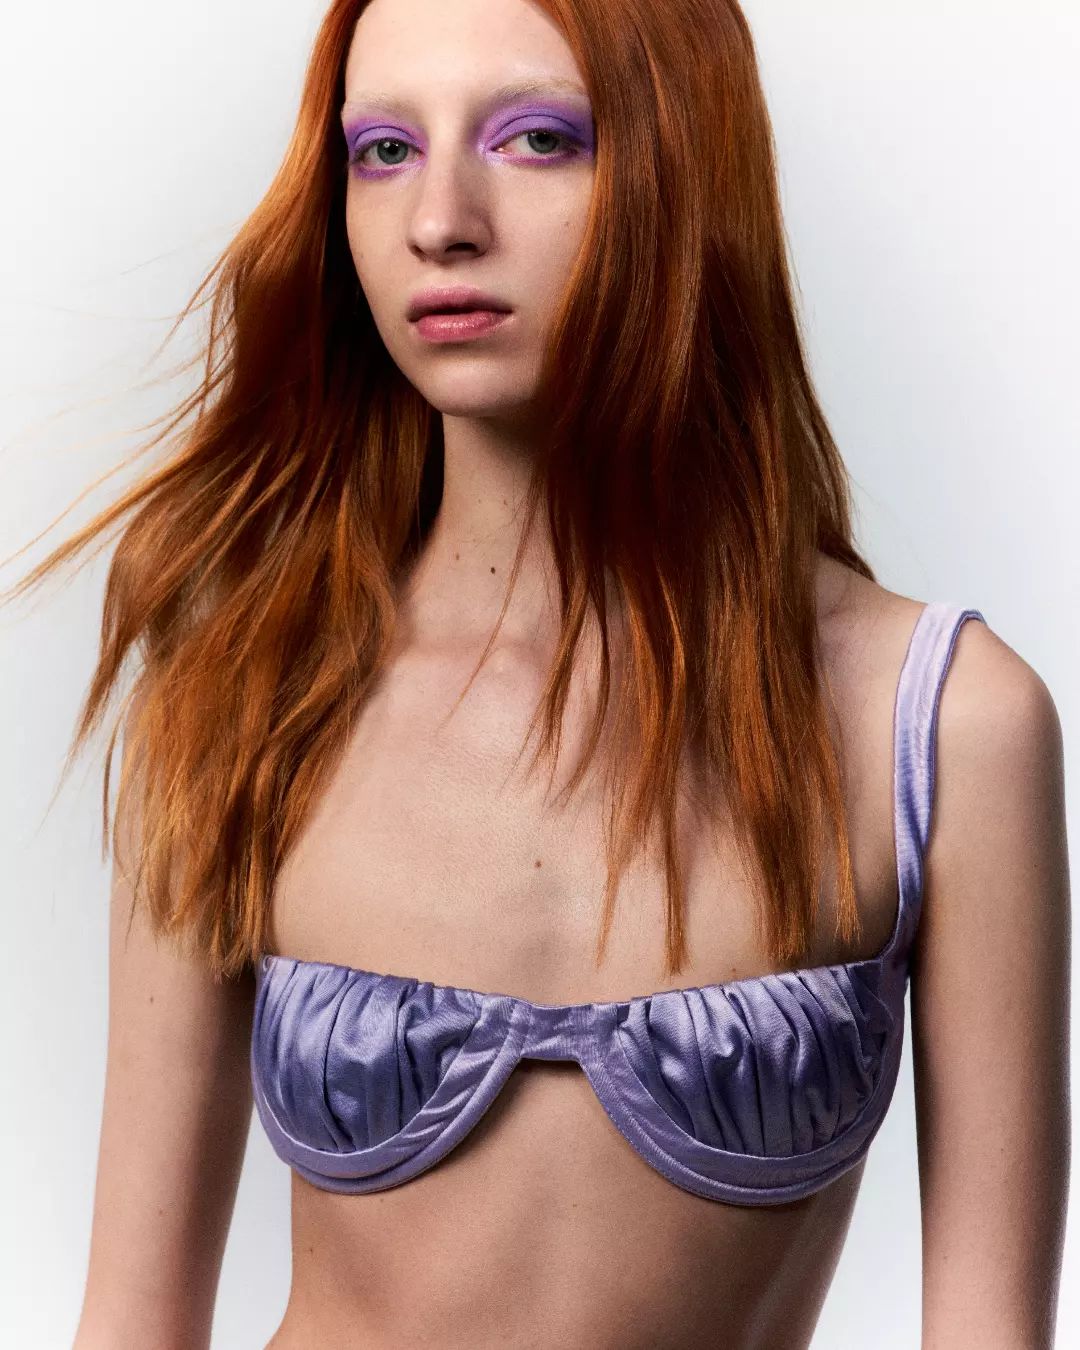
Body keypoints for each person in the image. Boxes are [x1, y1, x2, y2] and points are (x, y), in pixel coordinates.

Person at [9, 0, 1060, 1346]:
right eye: (384, 151)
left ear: (685, 164)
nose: (439, 220)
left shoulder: (945, 723)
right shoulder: (242, 693)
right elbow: (131, 1319)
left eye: (537, 139)